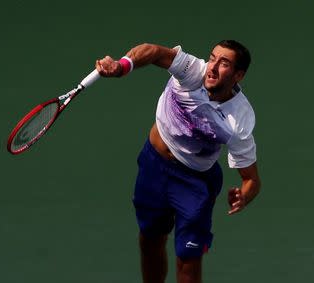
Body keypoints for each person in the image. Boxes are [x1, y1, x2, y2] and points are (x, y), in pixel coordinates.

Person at [95, 40, 261, 283]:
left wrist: (244, 196)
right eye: (212, 58)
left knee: (188, 258)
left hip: (195, 183)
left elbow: (252, 179)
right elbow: (152, 52)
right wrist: (122, 66)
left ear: (238, 75)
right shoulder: (193, 71)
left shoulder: (239, 121)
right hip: (155, 167)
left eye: (223, 63)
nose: (212, 68)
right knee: (150, 239)